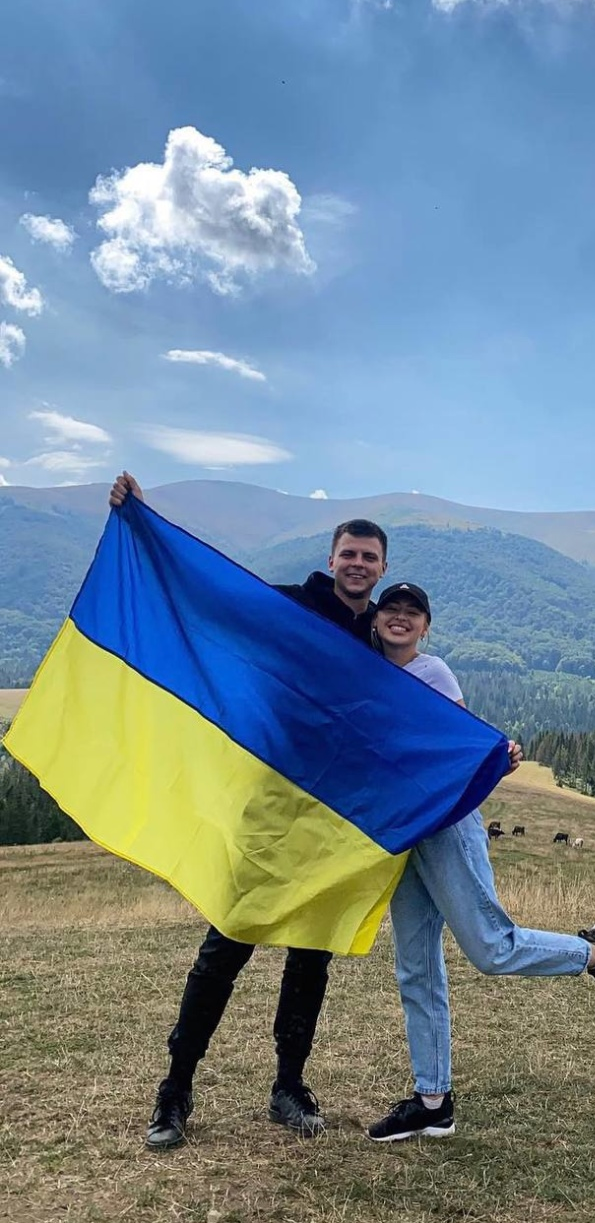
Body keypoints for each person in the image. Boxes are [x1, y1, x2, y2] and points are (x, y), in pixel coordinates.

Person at [106, 473, 389, 1150]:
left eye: (369, 557)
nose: (357, 564)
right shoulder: (289, 607)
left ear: (382, 568)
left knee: (310, 956)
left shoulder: (382, 637)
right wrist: (144, 523)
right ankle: (175, 1088)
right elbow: (213, 600)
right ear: (332, 558)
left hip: (336, 817)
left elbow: (422, 712)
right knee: (226, 944)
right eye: (349, 553)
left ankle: (289, 1086)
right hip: (272, 804)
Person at [365, 582, 595, 1143]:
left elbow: (459, 741)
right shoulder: (363, 667)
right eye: (391, 608)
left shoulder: (433, 674)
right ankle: (432, 1101)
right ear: (375, 618)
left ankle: (593, 953)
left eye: (413, 612)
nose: (400, 618)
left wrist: (494, 758)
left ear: (426, 628)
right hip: (403, 832)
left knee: (491, 947)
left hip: (445, 827)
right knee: (416, 967)